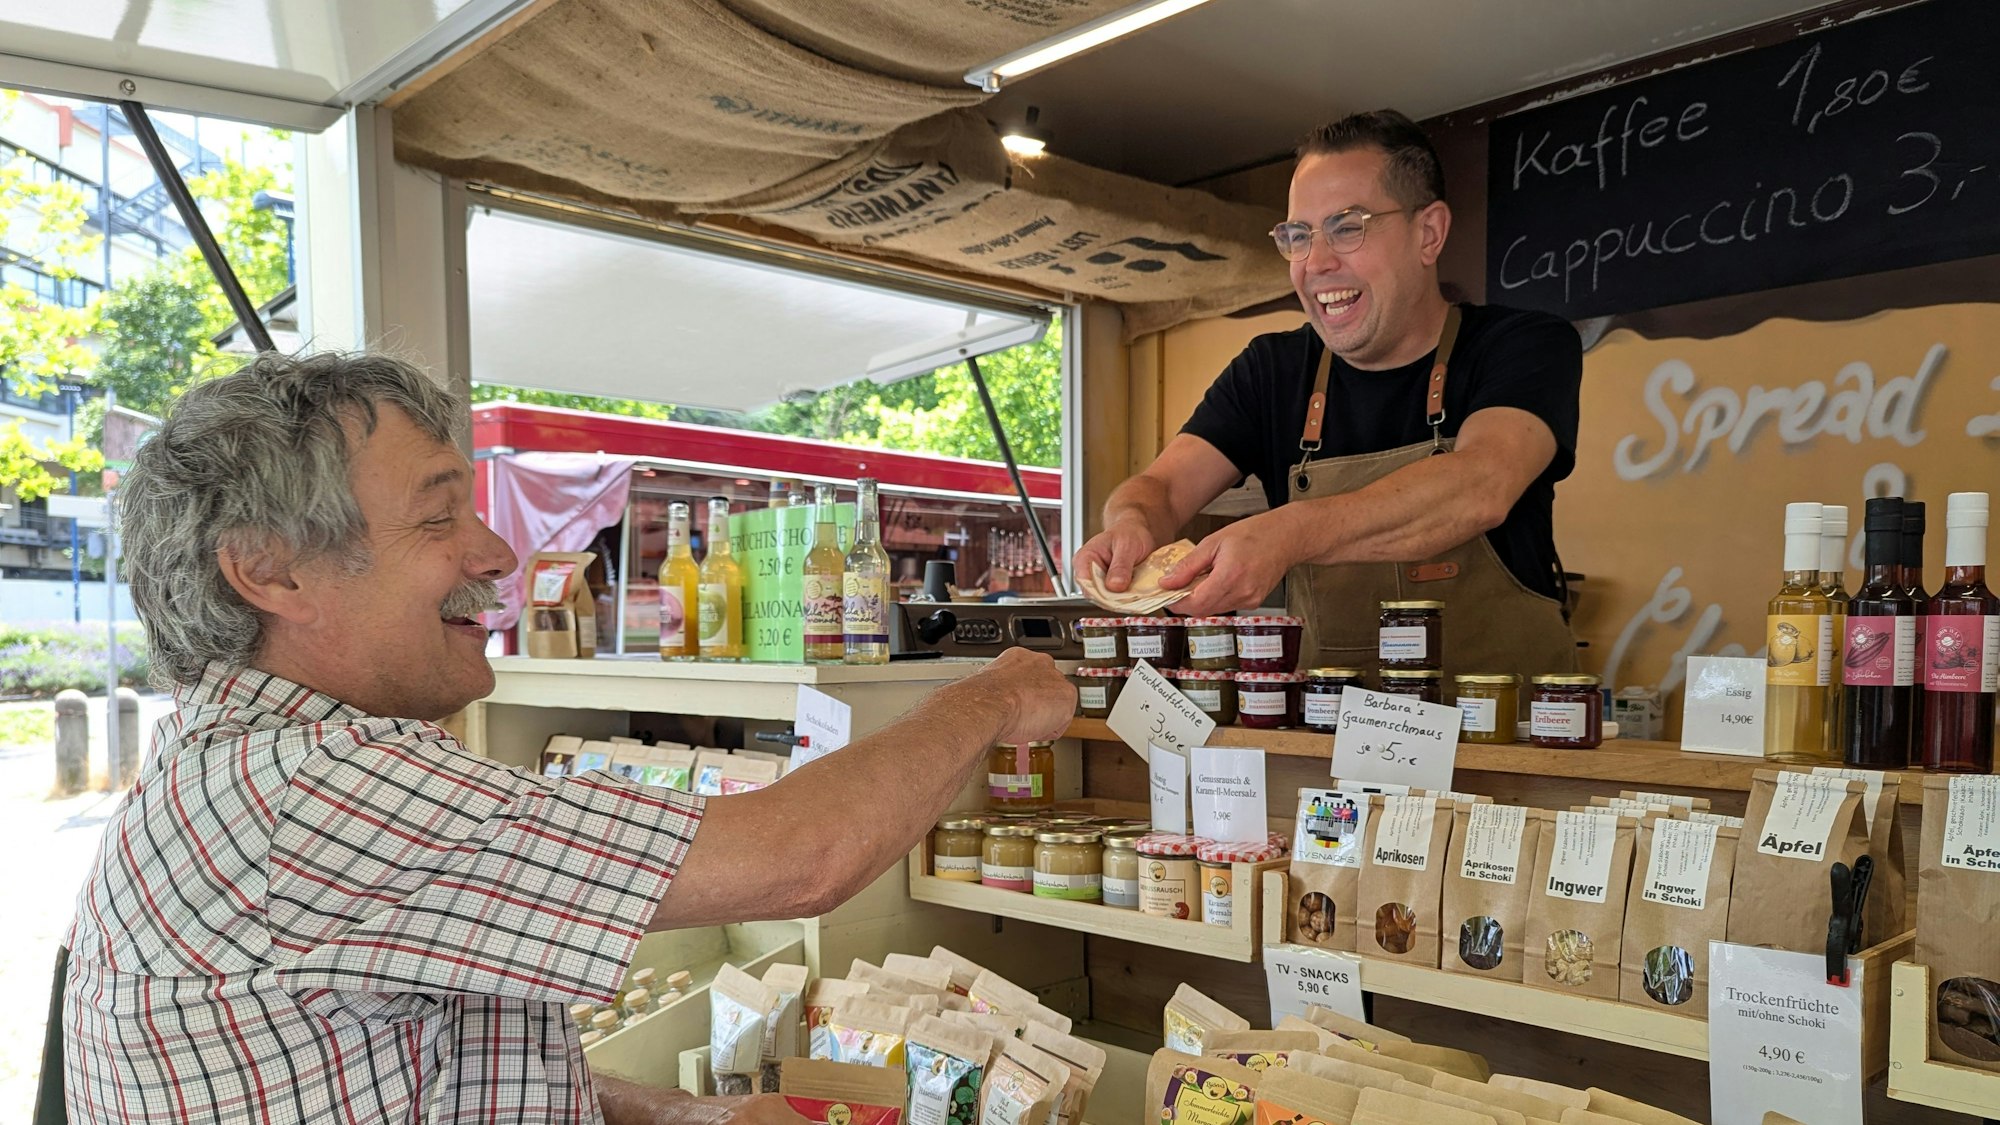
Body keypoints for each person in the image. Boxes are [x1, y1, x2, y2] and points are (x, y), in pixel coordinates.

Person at [62, 352, 1075, 1125]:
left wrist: (682, 1114)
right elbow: (799, 860)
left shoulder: (248, 758)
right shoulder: (307, 789)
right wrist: (986, 699)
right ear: (271, 573)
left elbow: (443, 1058)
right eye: (435, 519)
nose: (497, 553)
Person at [1075, 109, 1582, 683]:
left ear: (1429, 233)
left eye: (1347, 227)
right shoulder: (1271, 371)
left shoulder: (1523, 345)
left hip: (1504, 744)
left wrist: (1288, 534)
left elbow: (1482, 483)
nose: (1315, 262)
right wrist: (1130, 524)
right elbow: (1163, 487)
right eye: (1298, 236)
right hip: (1331, 740)